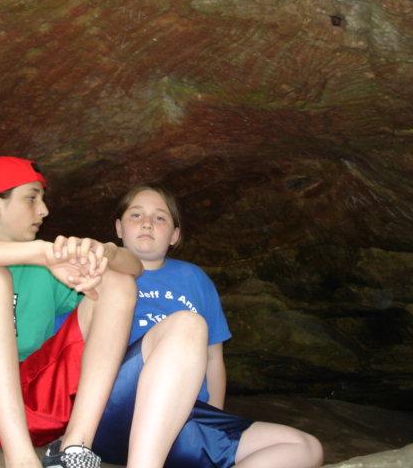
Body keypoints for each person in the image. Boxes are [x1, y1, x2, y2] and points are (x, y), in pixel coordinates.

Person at [0, 156, 143, 468]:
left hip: (31, 406)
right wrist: (42, 253)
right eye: (31, 198)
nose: (43, 210)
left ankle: (74, 447)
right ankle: (20, 461)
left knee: (118, 282)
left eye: (42, 199)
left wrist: (105, 252)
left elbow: (134, 267)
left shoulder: (47, 270)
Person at [90, 183, 324, 468]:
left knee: (304, 448)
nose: (148, 223)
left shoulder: (194, 279)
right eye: (136, 215)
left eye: (160, 217)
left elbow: (214, 358)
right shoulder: (96, 273)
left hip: (182, 417)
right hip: (114, 411)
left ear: (175, 234)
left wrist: (214, 417)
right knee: (187, 326)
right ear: (118, 227)